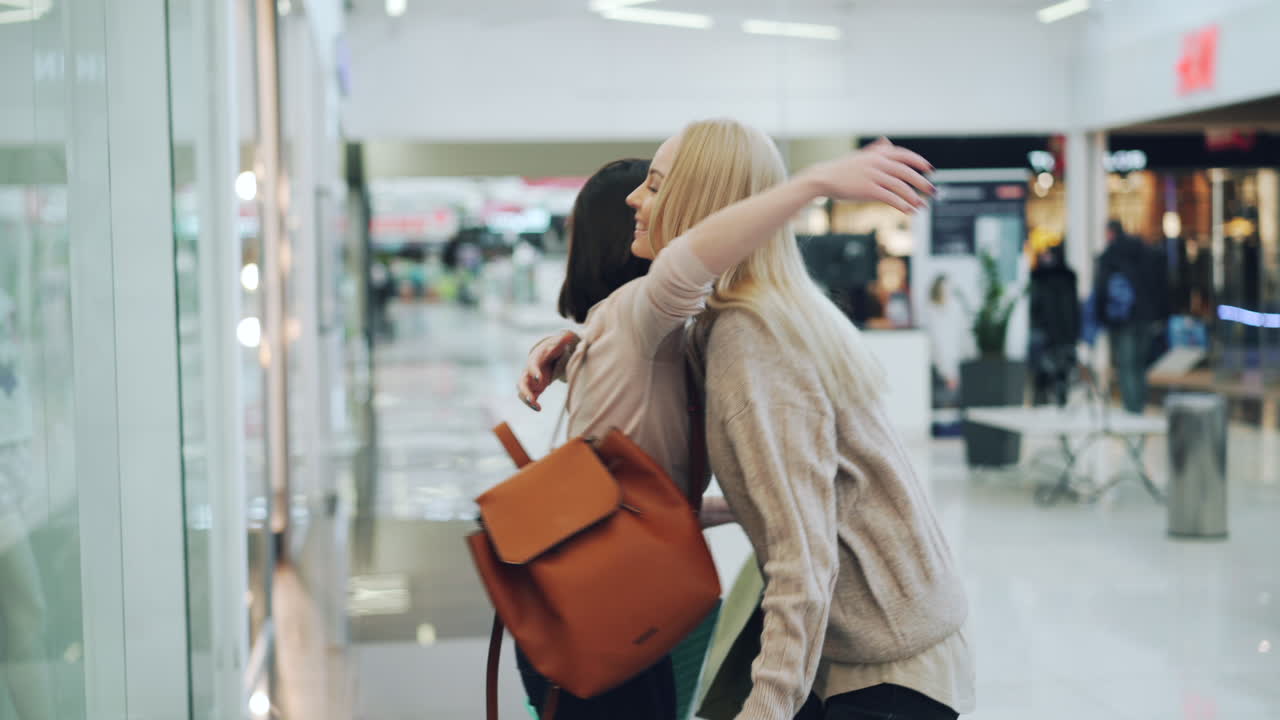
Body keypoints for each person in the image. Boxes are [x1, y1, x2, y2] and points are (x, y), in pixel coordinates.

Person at [522, 119, 971, 720]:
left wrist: (766, 708)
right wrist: (579, 348)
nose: (635, 198)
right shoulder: (738, 320)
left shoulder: (750, 336)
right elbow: (811, 496)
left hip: (883, 665)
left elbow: (801, 557)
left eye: (654, 185)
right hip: (864, 649)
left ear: (700, 206)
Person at [1094, 220, 1160, 414]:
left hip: (1122, 320)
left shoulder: (1111, 255)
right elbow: (1158, 286)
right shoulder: (1146, 253)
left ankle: (1131, 409)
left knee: (1126, 365)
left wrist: (1102, 318)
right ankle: (1139, 404)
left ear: (1111, 233)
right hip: (1146, 318)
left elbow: (1102, 289)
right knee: (1139, 365)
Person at [1028, 244, 1080, 406]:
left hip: (1054, 333)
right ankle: (1048, 401)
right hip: (1053, 333)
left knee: (1055, 372)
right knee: (1049, 372)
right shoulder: (1045, 277)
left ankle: (1051, 401)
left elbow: (1072, 309)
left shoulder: (1042, 277)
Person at [924, 273, 975, 411]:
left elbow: (962, 334)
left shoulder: (956, 308)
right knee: (941, 397)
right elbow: (934, 340)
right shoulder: (931, 310)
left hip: (955, 360)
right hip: (937, 363)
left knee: (955, 397)